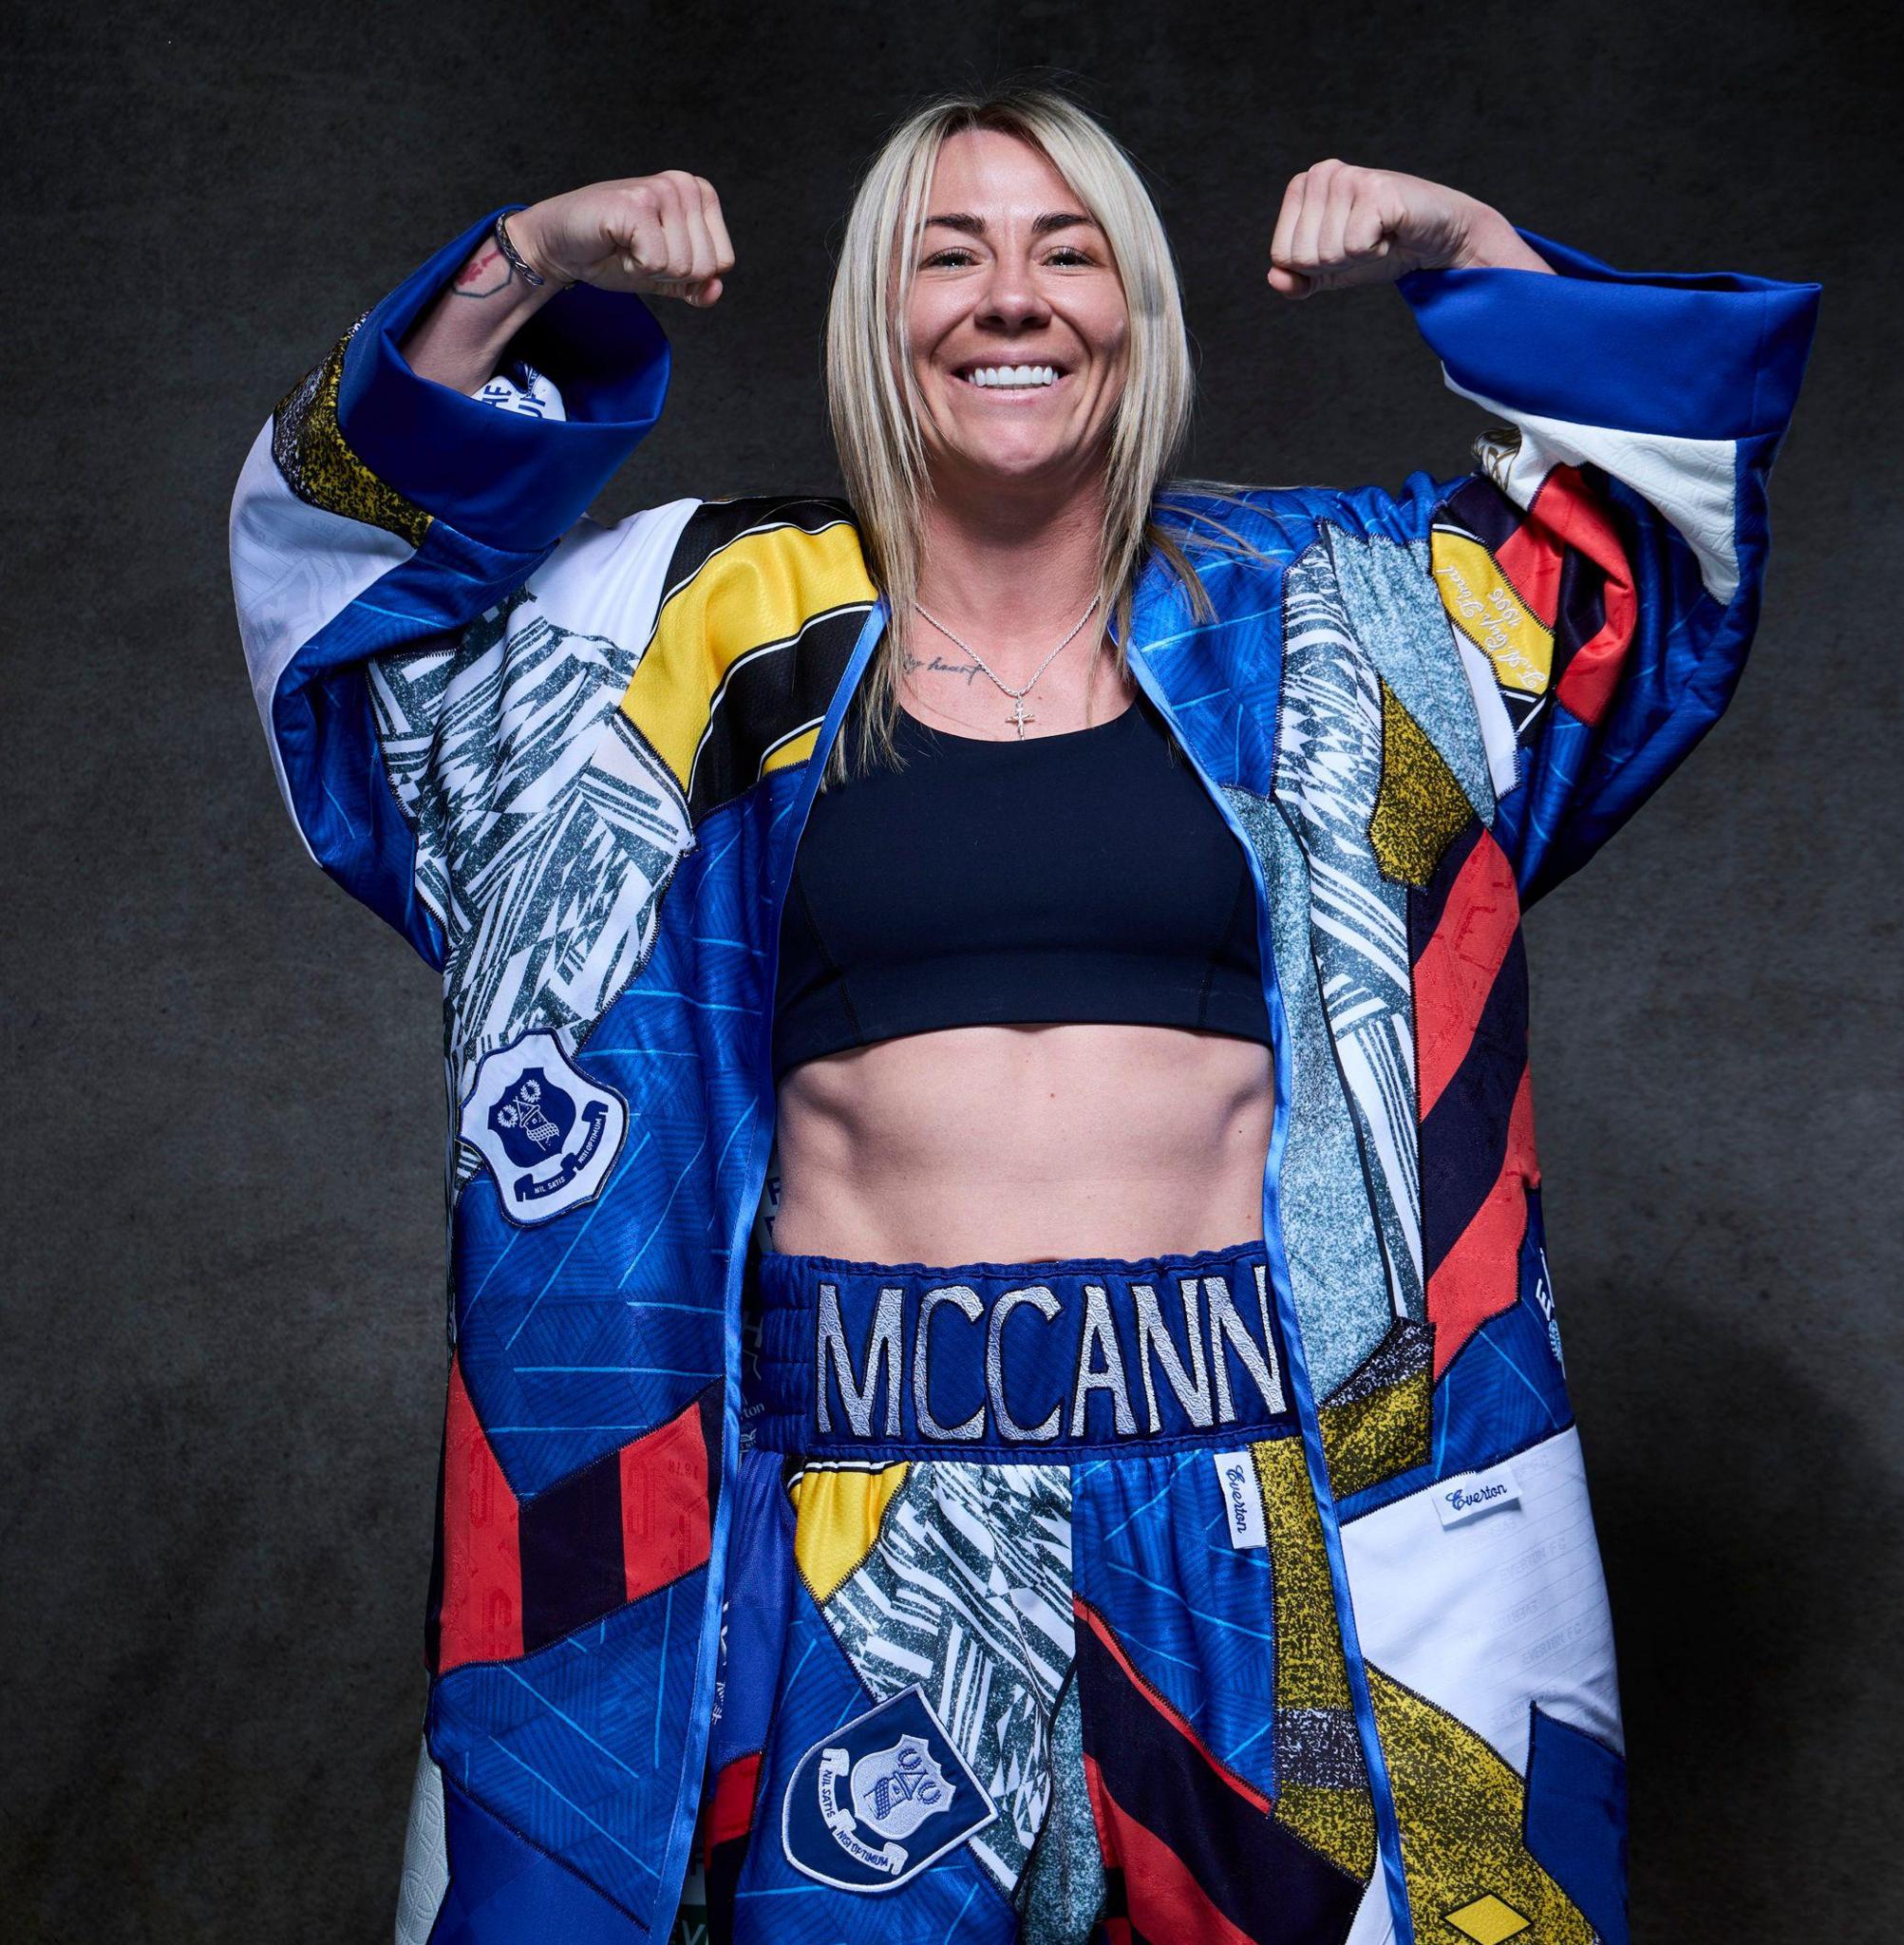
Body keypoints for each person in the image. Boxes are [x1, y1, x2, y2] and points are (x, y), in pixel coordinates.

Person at [229, 84, 1817, 1945]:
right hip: (859, 1528)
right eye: (947, 252)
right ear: (873, 320)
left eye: (1070, 254)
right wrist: (525, 267)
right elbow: (356, 625)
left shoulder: (1331, 618)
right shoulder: (702, 632)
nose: (1012, 299)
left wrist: (1464, 248)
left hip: (1258, 1509)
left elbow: (1650, 533)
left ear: (1136, 315)